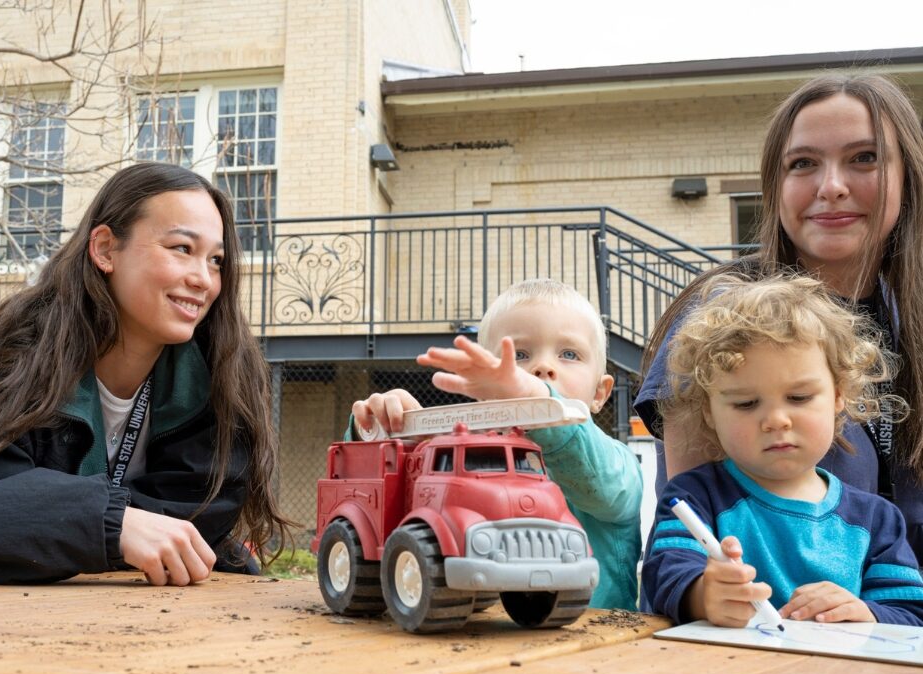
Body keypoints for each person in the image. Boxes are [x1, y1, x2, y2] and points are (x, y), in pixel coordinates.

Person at [0, 162, 290, 585]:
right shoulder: (8, 360)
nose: (203, 279)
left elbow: (203, 518)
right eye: (181, 249)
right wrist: (111, 522)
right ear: (104, 249)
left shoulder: (222, 376)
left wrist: (46, 516)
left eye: (217, 260)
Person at [635, 72, 923, 563]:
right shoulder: (721, 314)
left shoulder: (910, 316)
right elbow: (691, 537)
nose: (831, 186)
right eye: (803, 163)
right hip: (770, 624)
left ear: (908, 175)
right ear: (775, 184)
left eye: (864, 158)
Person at [642, 274, 923, 627]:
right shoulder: (694, 497)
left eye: (798, 398)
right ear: (709, 413)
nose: (776, 420)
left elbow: (911, 615)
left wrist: (866, 612)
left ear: (839, 396)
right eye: (746, 403)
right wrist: (705, 593)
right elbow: (664, 575)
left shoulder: (878, 521)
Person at [353, 279, 643, 610]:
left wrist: (536, 396)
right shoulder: (465, 456)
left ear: (600, 393)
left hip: (598, 647)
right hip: (481, 644)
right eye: (518, 354)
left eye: (569, 354)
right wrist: (383, 429)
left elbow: (597, 480)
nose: (542, 367)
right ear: (481, 387)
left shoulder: (619, 466)